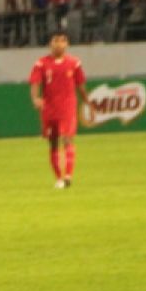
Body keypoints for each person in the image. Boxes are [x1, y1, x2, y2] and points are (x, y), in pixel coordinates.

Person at [29, 31, 90, 189]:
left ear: (67, 44)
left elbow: (80, 85)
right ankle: (59, 178)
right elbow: (35, 83)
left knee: (68, 139)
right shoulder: (41, 63)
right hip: (49, 108)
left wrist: (87, 101)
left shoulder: (74, 63)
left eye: (63, 40)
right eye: (56, 40)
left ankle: (68, 176)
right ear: (50, 43)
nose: (59, 44)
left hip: (67, 107)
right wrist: (35, 98)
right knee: (53, 142)